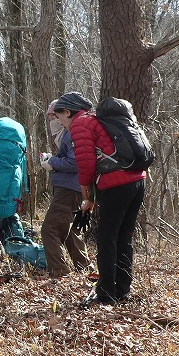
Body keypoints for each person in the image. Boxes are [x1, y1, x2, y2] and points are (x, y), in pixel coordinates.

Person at [70, 93, 148, 306]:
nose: (56, 120)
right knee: (124, 237)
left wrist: (86, 192)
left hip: (116, 184)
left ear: (67, 112)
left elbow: (86, 163)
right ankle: (122, 290)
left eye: (57, 116)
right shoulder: (104, 120)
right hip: (138, 180)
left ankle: (106, 294)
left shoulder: (81, 123)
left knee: (106, 238)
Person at [41, 94, 92, 278]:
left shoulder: (72, 132)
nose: (52, 120)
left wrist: (52, 162)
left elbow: (74, 162)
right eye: (49, 116)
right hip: (76, 188)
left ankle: (59, 272)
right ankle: (84, 268)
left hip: (70, 188)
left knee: (49, 229)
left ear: (65, 113)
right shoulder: (68, 133)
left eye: (54, 115)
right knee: (71, 231)